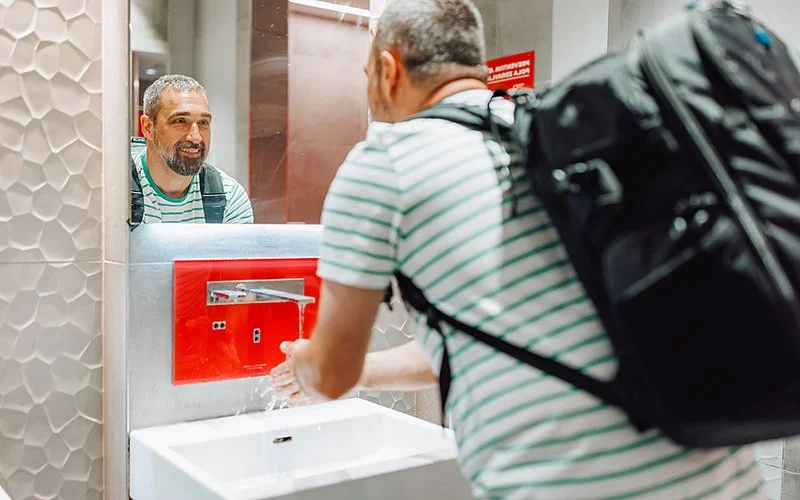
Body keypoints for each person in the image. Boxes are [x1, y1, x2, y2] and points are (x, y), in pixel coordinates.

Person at [270, 0, 766, 498]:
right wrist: (362, 372)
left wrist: (306, 365)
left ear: (387, 68)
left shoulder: (385, 161)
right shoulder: (552, 138)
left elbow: (330, 375)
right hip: (723, 475)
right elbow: (479, 336)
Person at [130, 74, 253, 224]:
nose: (196, 137)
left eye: (203, 122)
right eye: (180, 121)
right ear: (148, 127)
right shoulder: (115, 191)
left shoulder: (229, 198)